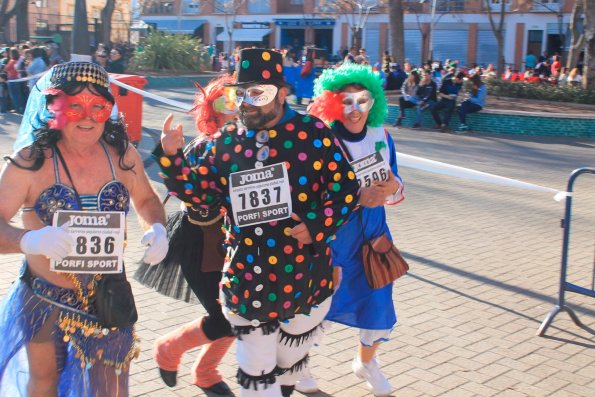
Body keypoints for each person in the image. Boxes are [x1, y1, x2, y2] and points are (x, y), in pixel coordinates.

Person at [155, 48, 362, 397]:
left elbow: (345, 187)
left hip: (304, 273)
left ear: (282, 94)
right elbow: (200, 196)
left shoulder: (314, 133)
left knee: (288, 365)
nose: (246, 104)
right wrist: (172, 158)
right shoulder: (227, 141)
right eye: (240, 94)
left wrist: (317, 224)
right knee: (256, 370)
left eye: (258, 94)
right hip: (247, 274)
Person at [0, 62, 168, 396]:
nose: (87, 117)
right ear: (53, 107)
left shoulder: (123, 156)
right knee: (44, 381)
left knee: (112, 385)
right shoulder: (29, 161)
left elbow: (148, 200)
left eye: (98, 107)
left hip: (109, 293)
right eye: (74, 106)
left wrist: (158, 228)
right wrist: (29, 239)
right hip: (44, 298)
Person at [302, 63, 405, 397]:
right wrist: (354, 198)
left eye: (363, 100)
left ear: (373, 101)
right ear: (331, 102)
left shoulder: (383, 137)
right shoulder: (321, 140)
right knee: (321, 304)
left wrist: (391, 187)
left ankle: (366, 363)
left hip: (374, 236)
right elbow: (309, 194)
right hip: (335, 237)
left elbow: (398, 187)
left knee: (377, 303)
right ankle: (299, 365)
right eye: (346, 101)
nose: (356, 109)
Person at [134, 75, 238, 395]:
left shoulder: (251, 144)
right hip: (200, 241)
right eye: (226, 101)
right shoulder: (203, 146)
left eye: (239, 99)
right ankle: (169, 348)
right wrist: (170, 154)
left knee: (241, 312)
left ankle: (206, 372)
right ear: (211, 110)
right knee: (225, 317)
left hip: (237, 242)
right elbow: (188, 192)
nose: (235, 107)